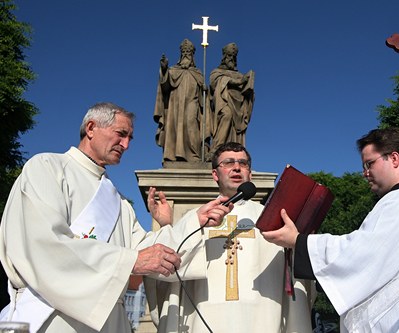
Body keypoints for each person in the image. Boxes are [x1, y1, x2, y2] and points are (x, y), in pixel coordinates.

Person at [0, 102, 231, 333]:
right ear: (91, 128)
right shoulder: (47, 168)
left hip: (110, 319)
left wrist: (194, 220)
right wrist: (130, 261)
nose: (126, 144)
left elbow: (146, 253)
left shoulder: (119, 201)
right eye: (121, 134)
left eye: (130, 138)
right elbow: (41, 244)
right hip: (52, 315)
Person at [262, 128, 399, 332]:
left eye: (369, 164)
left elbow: (363, 253)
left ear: (395, 159)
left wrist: (299, 241)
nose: (365, 173)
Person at [145, 142, 314, 333]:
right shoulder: (197, 218)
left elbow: (293, 274)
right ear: (215, 174)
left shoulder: (273, 218)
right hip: (202, 315)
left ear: (250, 174)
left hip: (263, 317)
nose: (236, 167)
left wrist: (302, 240)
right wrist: (167, 226)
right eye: (229, 162)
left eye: (243, 163)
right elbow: (171, 265)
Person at [154, 38, 206, 162]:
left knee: (191, 124)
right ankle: (173, 155)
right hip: (175, 105)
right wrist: (164, 69)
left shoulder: (197, 73)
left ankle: (194, 154)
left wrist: (205, 90)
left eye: (189, 53)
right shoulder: (173, 71)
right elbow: (164, 86)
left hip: (192, 103)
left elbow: (204, 100)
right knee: (175, 127)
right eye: (184, 53)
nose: (186, 55)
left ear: (193, 55)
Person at [208, 43, 255, 160]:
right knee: (226, 114)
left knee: (235, 128)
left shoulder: (239, 74)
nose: (231, 59)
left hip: (238, 106)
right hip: (223, 101)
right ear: (224, 57)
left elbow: (245, 91)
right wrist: (236, 82)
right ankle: (216, 149)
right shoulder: (217, 72)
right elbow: (214, 84)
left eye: (233, 57)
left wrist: (249, 89)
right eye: (229, 56)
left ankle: (234, 152)